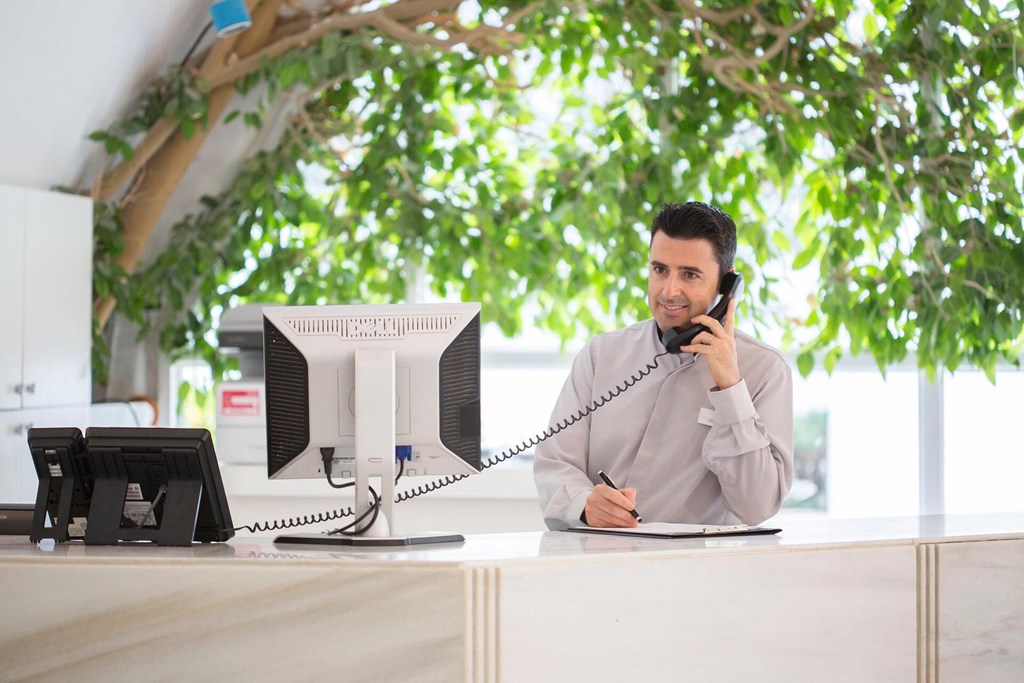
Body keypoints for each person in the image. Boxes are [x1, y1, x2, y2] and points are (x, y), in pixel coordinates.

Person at [533, 202, 793, 529]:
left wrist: (730, 389)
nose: (669, 290)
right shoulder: (602, 354)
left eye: (690, 274)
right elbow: (555, 462)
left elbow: (758, 506)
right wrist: (583, 505)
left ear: (726, 286)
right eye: (659, 270)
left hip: (693, 571)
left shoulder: (765, 371)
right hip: (596, 561)